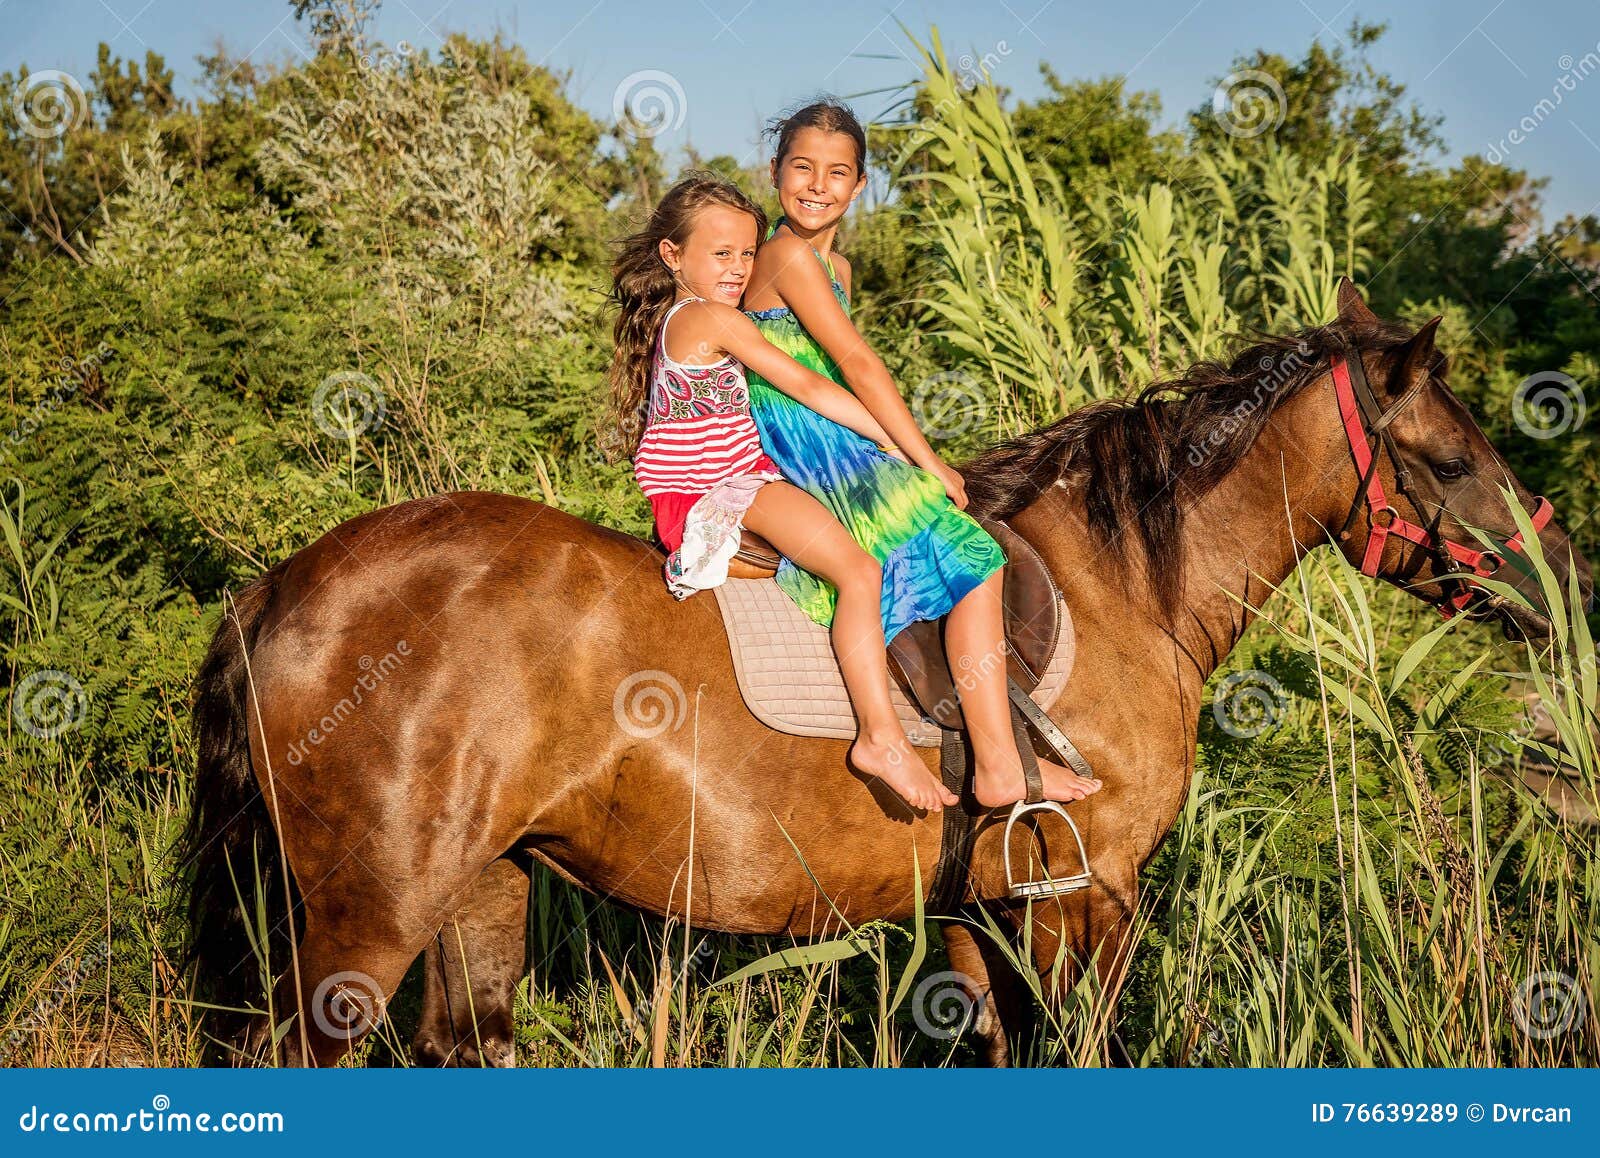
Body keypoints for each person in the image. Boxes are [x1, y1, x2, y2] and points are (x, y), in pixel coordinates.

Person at [741, 100, 1103, 807]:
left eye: (836, 172)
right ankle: (998, 765)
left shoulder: (835, 265)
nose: (817, 185)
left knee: (953, 544)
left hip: (838, 429)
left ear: (861, 184)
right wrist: (929, 461)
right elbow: (859, 363)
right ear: (775, 172)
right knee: (977, 556)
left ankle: (978, 740)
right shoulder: (784, 254)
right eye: (801, 168)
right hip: (813, 442)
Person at [606, 173, 960, 812]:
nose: (740, 268)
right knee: (859, 568)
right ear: (671, 255)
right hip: (720, 490)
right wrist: (914, 451)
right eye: (722, 254)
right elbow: (813, 387)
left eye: (747, 253)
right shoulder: (713, 318)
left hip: (717, 481)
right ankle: (879, 737)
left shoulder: (686, 317)